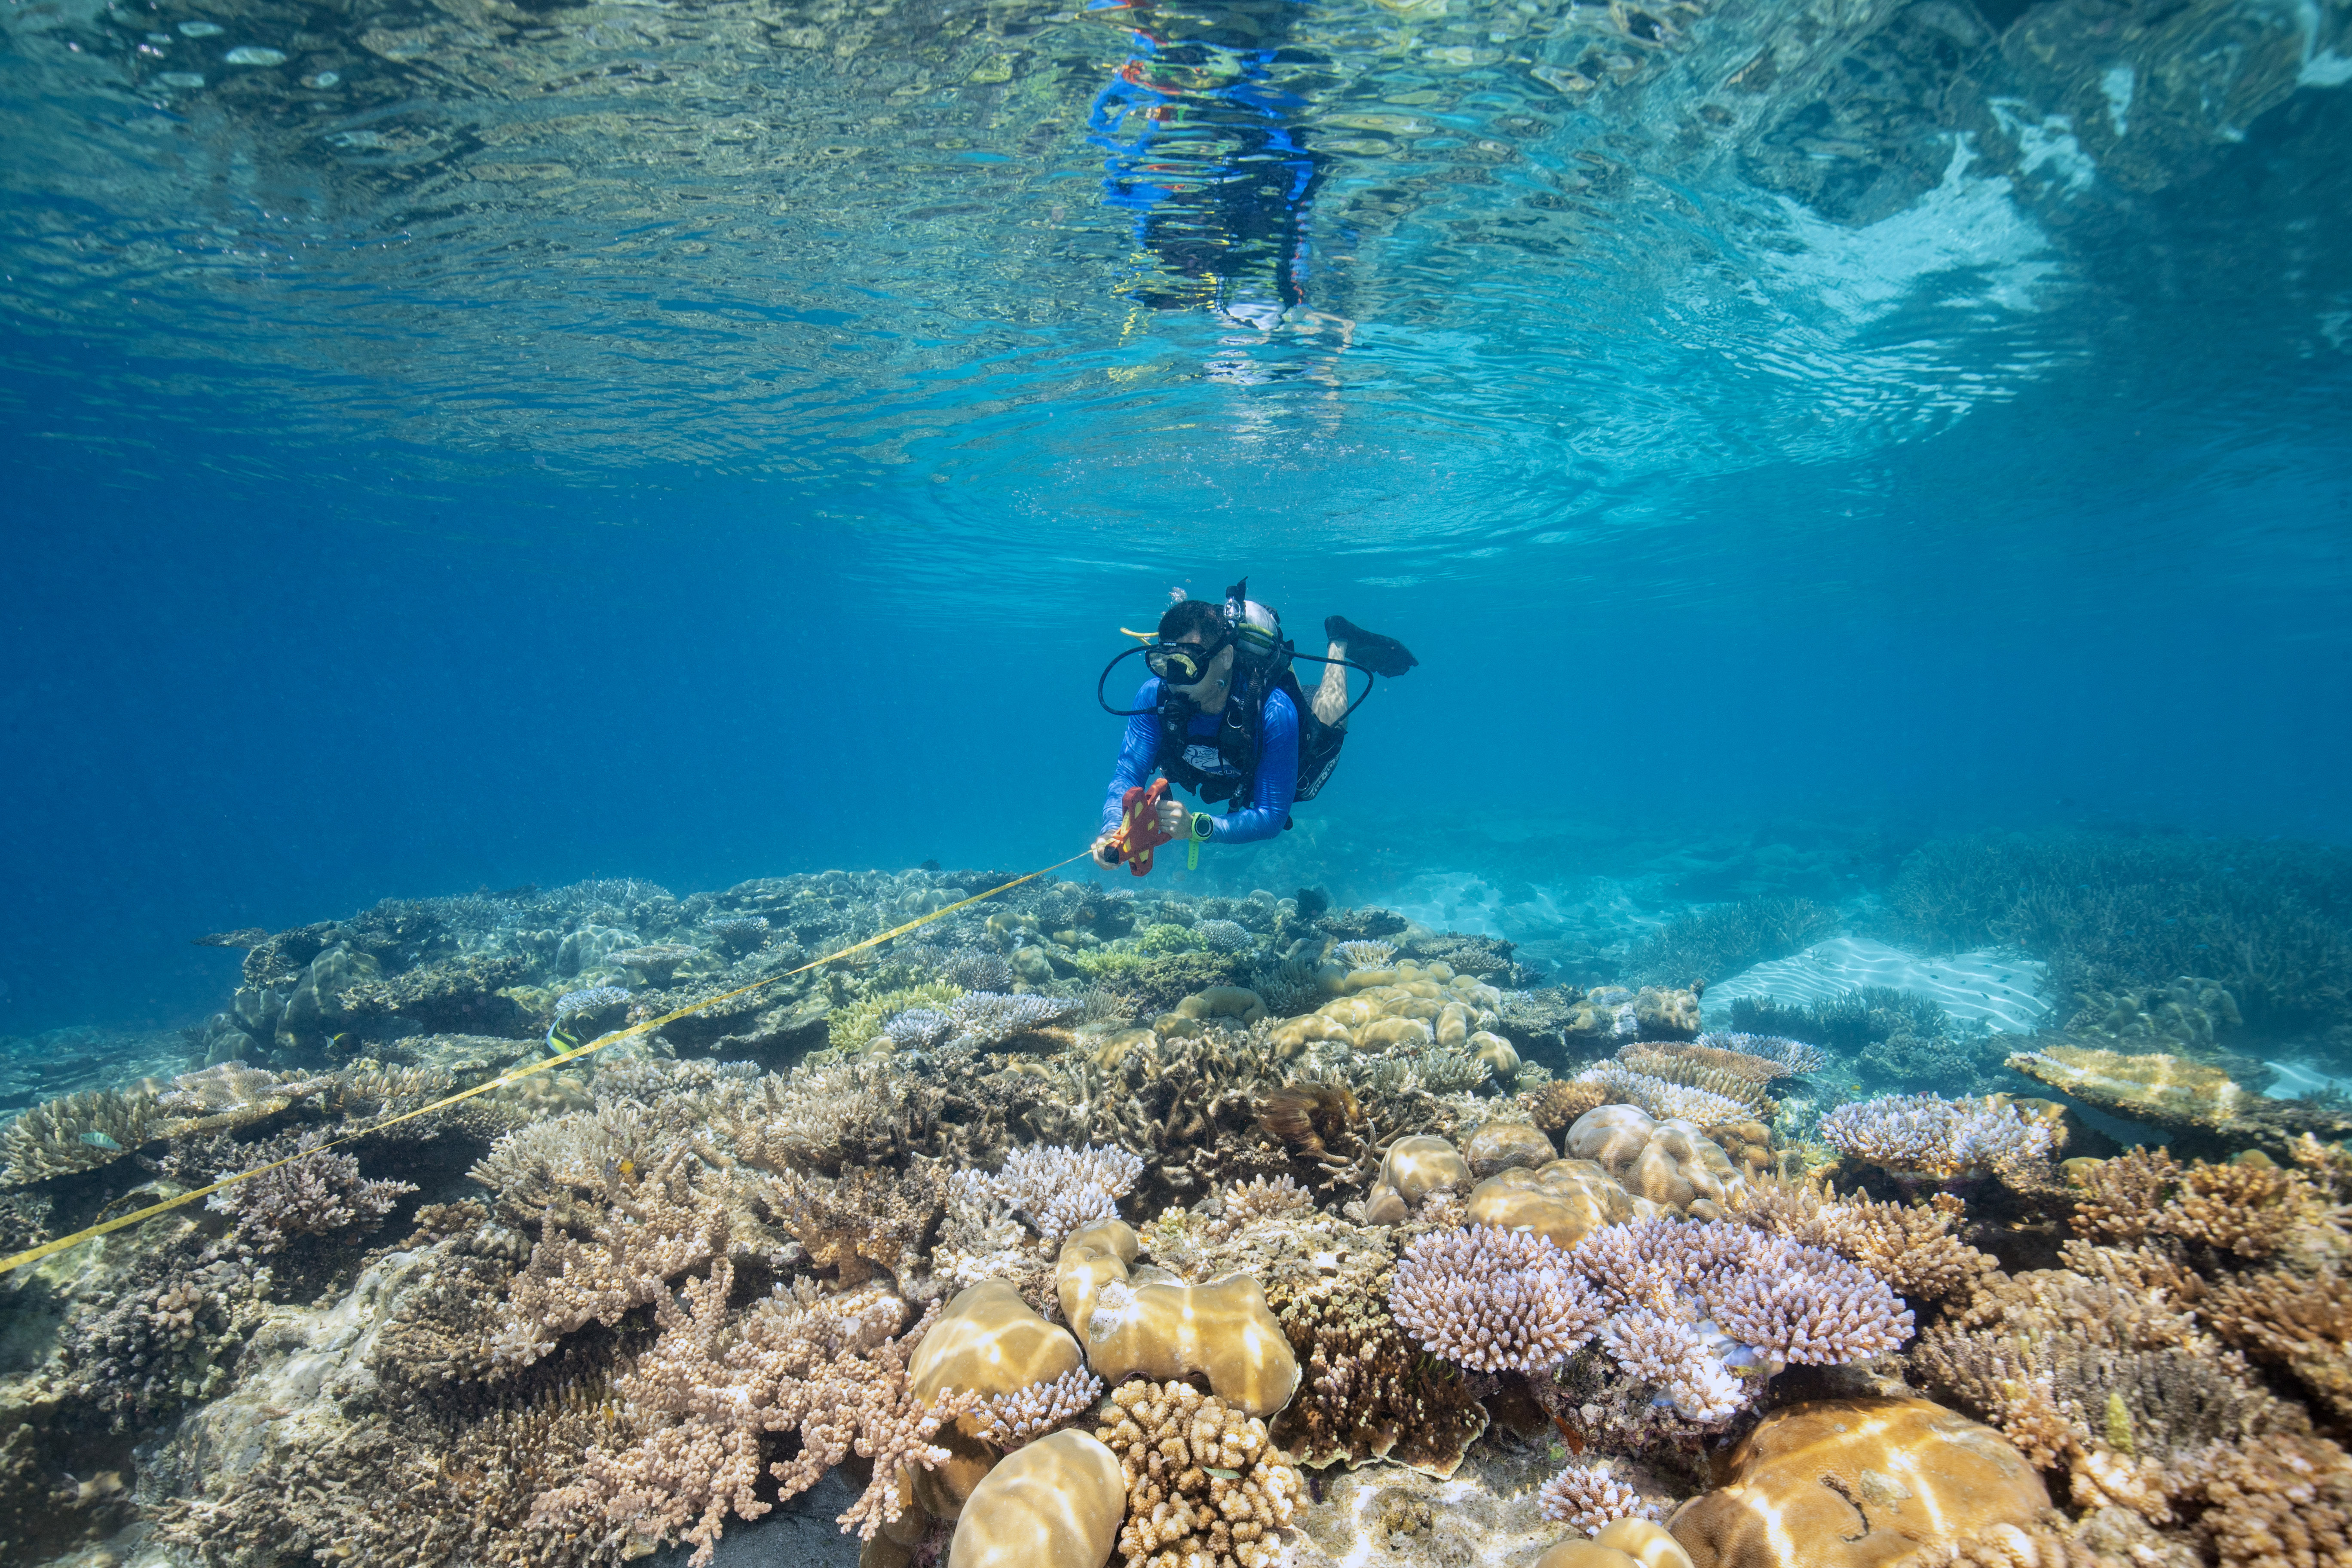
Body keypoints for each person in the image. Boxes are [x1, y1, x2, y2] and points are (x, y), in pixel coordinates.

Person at [1092, 585, 1416, 868]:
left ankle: (1339, 640)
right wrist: (1112, 829)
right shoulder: (1155, 697)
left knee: (1321, 744)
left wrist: (1197, 827)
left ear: (1227, 657)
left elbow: (1271, 817)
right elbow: (1127, 774)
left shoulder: (1274, 712)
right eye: (1164, 665)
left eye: (1187, 666)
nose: (1173, 682)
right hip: (1239, 748)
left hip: (1278, 727)